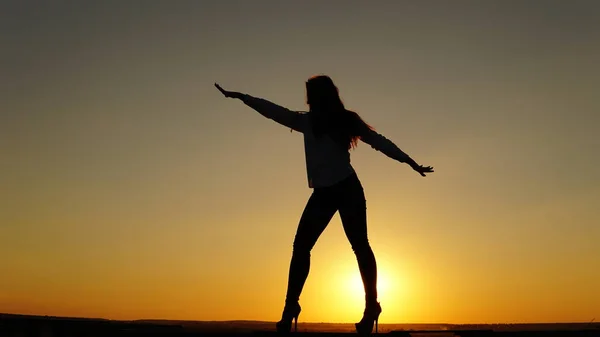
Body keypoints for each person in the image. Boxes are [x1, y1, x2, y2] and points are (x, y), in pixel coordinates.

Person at [214, 75, 433, 335]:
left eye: (310, 95)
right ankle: (290, 307)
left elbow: (379, 142)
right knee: (301, 247)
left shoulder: (346, 120)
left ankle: (371, 306)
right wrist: (242, 97)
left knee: (360, 246)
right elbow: (272, 111)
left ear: (321, 96)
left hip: (347, 189)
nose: (307, 100)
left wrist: (410, 162)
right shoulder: (306, 122)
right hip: (323, 194)